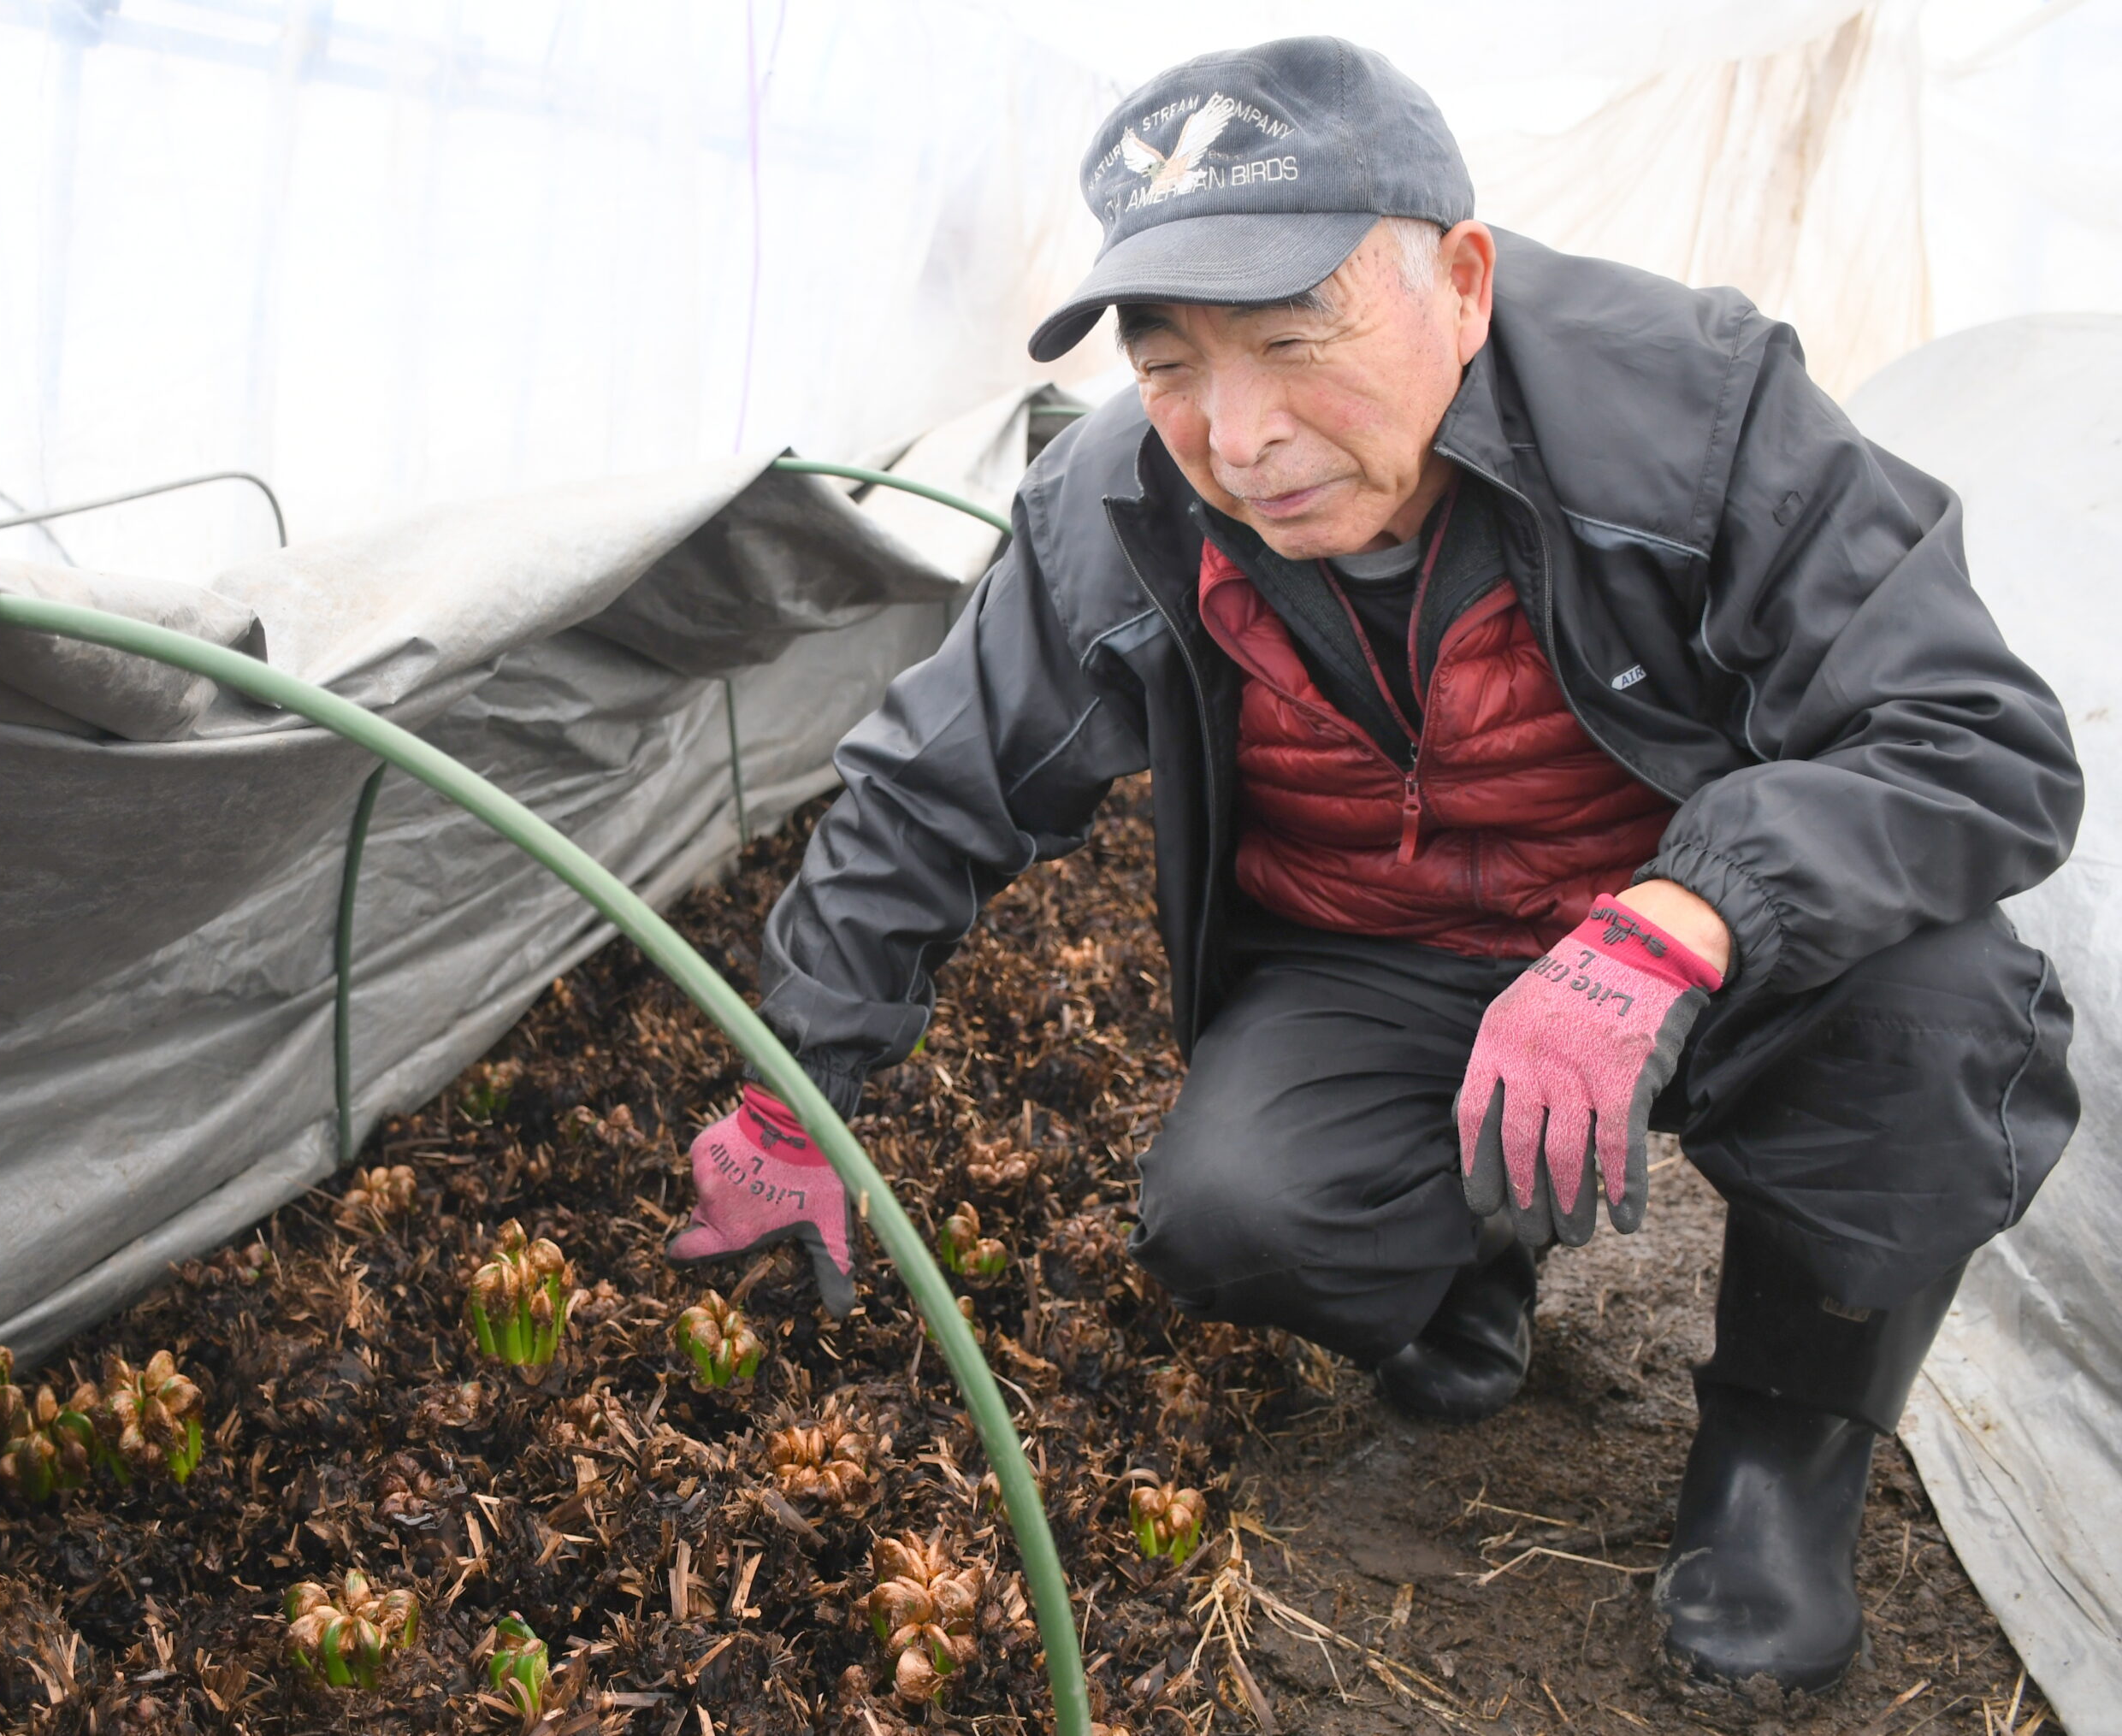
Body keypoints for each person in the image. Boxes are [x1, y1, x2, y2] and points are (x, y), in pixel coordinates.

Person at [664, 36, 2083, 1696]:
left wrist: (1678, 918)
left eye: (1291, 338)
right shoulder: (1120, 501)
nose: (1237, 432)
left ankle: (1782, 1453)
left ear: (1461, 284)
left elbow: (1972, 738)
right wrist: (794, 1090)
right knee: (1235, 1209)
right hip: (1385, 956)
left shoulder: (1689, 412)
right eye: (1171, 362)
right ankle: (1468, 1262)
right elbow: (931, 784)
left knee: (1937, 1011)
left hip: (1699, 954)